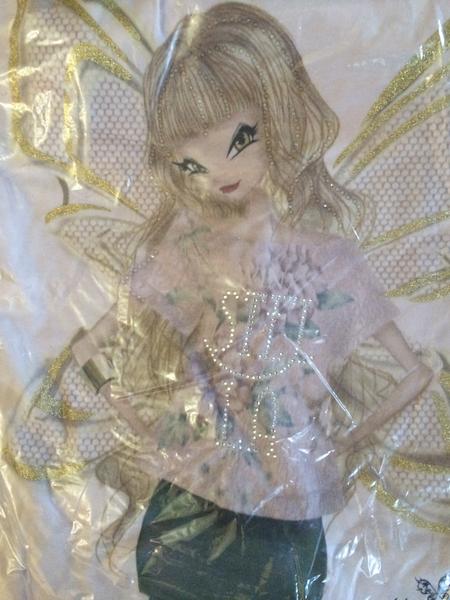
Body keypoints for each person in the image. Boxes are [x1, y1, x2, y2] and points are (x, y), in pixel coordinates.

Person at [51, 3, 435, 599]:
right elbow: (89, 347)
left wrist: (342, 445)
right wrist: (146, 427)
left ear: (278, 118)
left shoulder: (331, 259)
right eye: (191, 161)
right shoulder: (189, 253)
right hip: (189, 497)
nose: (219, 170)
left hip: (287, 508)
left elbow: (414, 374)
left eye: (241, 139)